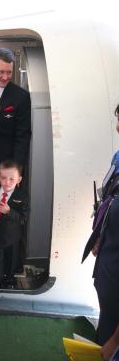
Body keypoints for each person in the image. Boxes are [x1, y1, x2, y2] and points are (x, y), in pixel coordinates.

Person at [84, 104, 119, 359]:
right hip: (110, 252)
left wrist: (114, 343)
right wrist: (98, 236)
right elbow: (109, 197)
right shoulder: (118, 158)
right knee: (107, 305)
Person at [0, 47, 31, 184]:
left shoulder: (21, 97)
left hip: (5, 168)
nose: (5, 77)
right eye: (1, 72)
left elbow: (23, 136)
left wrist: (16, 169)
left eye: (9, 72)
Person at [0, 159, 29, 291]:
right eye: (3, 178)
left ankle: (9, 277)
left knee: (12, 259)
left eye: (12, 179)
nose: (7, 182)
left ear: (19, 179)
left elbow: (23, 218)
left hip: (12, 237)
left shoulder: (22, 196)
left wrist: (9, 212)